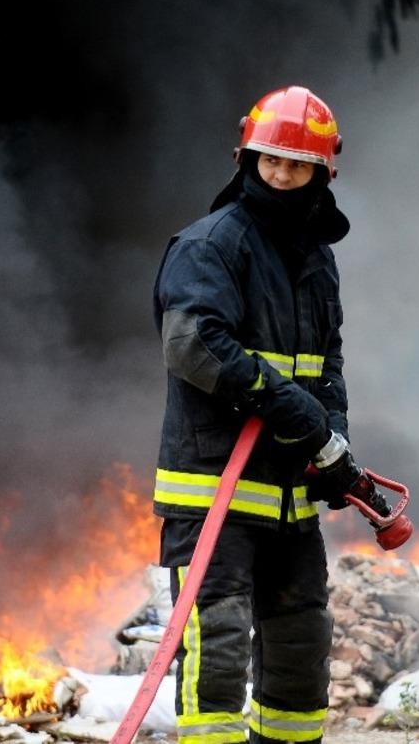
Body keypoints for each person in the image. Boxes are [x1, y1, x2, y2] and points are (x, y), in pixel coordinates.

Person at [151, 86, 367, 744]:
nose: (280, 174)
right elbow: (193, 344)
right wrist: (290, 408)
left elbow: (326, 363)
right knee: (217, 647)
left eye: (296, 165)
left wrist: (333, 441)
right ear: (247, 158)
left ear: (321, 173)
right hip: (214, 488)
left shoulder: (316, 258)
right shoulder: (210, 245)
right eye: (270, 160)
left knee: (302, 647)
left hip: (290, 498)